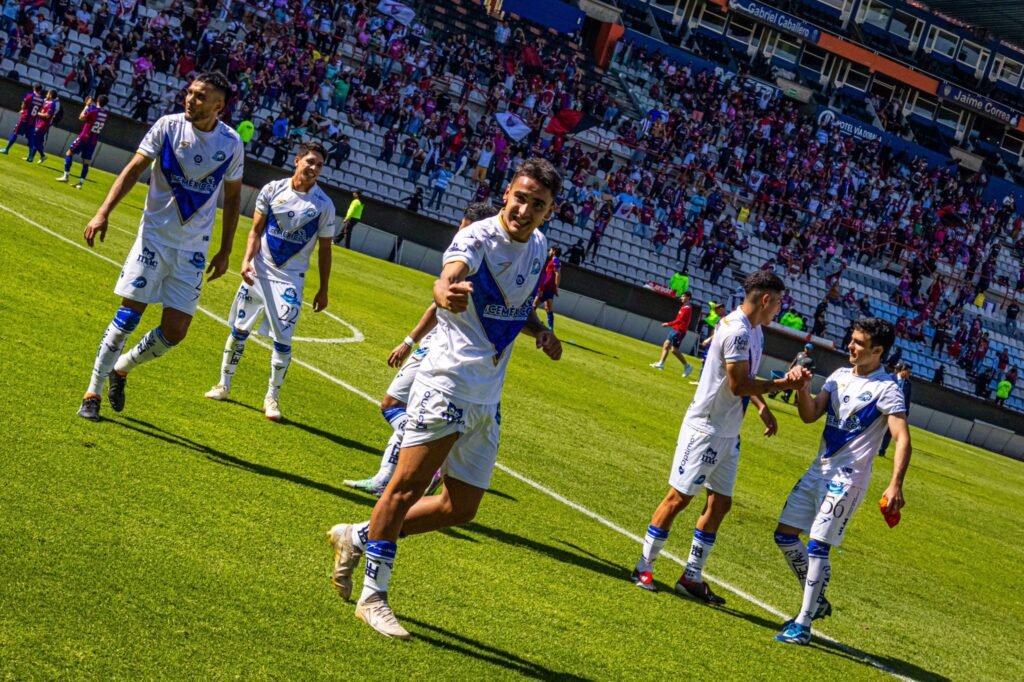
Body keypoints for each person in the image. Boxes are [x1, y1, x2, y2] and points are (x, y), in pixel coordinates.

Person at [327, 159, 564, 640]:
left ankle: (356, 536)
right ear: (506, 195)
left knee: (460, 508)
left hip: (487, 398)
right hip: (447, 386)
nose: (525, 209)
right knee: (403, 490)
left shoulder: (539, 247)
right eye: (520, 198)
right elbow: (447, 277)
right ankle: (374, 597)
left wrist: (540, 332)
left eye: (537, 204)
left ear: (548, 211)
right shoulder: (477, 238)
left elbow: (513, 309)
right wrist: (444, 291)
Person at [630, 271, 810, 602]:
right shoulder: (739, 331)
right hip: (706, 429)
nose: (779, 310)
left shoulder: (754, 331)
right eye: (779, 303)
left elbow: (745, 377)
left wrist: (760, 407)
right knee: (679, 499)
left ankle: (691, 577)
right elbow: (738, 384)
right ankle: (643, 565)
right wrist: (783, 386)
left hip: (729, 432)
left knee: (721, 503)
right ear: (765, 299)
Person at [76, 72, 243, 421]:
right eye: (190, 92)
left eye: (200, 96)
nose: (190, 99)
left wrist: (226, 251)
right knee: (127, 317)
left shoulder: (231, 144)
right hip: (153, 239)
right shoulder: (167, 126)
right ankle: (92, 391)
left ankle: (121, 369)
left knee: (176, 331)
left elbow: (232, 197)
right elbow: (134, 167)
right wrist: (103, 212)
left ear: (218, 107)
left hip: (193, 252)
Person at [343, 202, 498, 497]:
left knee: (393, 406)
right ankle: (386, 477)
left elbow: (442, 304)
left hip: (446, 348)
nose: (460, 233)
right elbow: (436, 305)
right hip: (435, 342)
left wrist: (411, 341)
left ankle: (429, 460)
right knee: (402, 407)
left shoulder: (475, 260)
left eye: (464, 227)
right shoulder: (471, 256)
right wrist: (410, 340)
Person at [773, 317, 911, 645]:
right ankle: (817, 598)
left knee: (818, 544)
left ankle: (804, 623)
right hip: (817, 470)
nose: (850, 346)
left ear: (877, 351)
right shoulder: (837, 377)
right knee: (784, 536)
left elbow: (902, 438)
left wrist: (895, 484)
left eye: (859, 343)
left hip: (847, 480)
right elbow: (810, 415)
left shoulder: (886, 389)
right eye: (851, 339)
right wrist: (802, 389)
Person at [203, 142, 336, 420]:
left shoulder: (324, 205)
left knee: (283, 341)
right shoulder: (272, 190)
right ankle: (223, 384)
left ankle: (272, 399)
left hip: (290, 281)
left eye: (319, 165)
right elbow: (255, 231)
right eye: (310, 161)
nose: (313, 168)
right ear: (297, 160)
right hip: (259, 273)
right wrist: (246, 260)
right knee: (239, 330)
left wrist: (323, 288)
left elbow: (325, 249)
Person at [57, 94, 109, 189]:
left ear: (97, 100)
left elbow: (81, 117)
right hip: (93, 141)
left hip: (84, 137)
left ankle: (66, 176)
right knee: (86, 162)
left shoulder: (92, 111)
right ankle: (80, 183)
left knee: (69, 153)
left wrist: (86, 106)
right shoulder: (105, 114)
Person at [649, 291, 694, 377]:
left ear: (688, 297)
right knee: (666, 345)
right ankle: (661, 363)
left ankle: (687, 366)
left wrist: (668, 324)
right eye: (682, 296)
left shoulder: (687, 308)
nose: (681, 298)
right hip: (675, 329)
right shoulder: (684, 306)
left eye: (683, 296)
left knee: (674, 350)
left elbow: (680, 320)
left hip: (679, 331)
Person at [877, 362, 912, 457]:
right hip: (883, 407)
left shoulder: (908, 384)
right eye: (908, 372)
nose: (909, 374)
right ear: (902, 370)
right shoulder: (890, 377)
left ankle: (882, 449)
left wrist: (906, 413)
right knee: (877, 427)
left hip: (896, 411)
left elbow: (907, 400)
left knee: (889, 431)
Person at [2, 83, 41, 155]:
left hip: (25, 119)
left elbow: (23, 106)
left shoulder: (30, 96)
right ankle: (30, 157)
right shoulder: (41, 99)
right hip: (32, 121)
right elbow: (38, 110)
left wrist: (23, 108)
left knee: (15, 132)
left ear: (34, 88)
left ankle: (6, 149)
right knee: (30, 138)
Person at [26, 88, 59, 163]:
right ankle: (33, 157)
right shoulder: (45, 101)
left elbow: (47, 115)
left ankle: (39, 156)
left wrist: (37, 113)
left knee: (34, 139)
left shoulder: (52, 104)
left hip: (43, 124)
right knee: (37, 141)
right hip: (39, 122)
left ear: (50, 95)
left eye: (48, 93)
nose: (46, 95)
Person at [533, 246, 562, 330]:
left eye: (550, 250)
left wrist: (556, 287)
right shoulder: (554, 261)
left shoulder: (555, 260)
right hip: (550, 288)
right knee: (548, 308)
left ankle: (537, 323)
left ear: (554, 251)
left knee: (533, 306)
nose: (549, 251)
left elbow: (558, 274)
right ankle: (550, 328)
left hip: (546, 287)